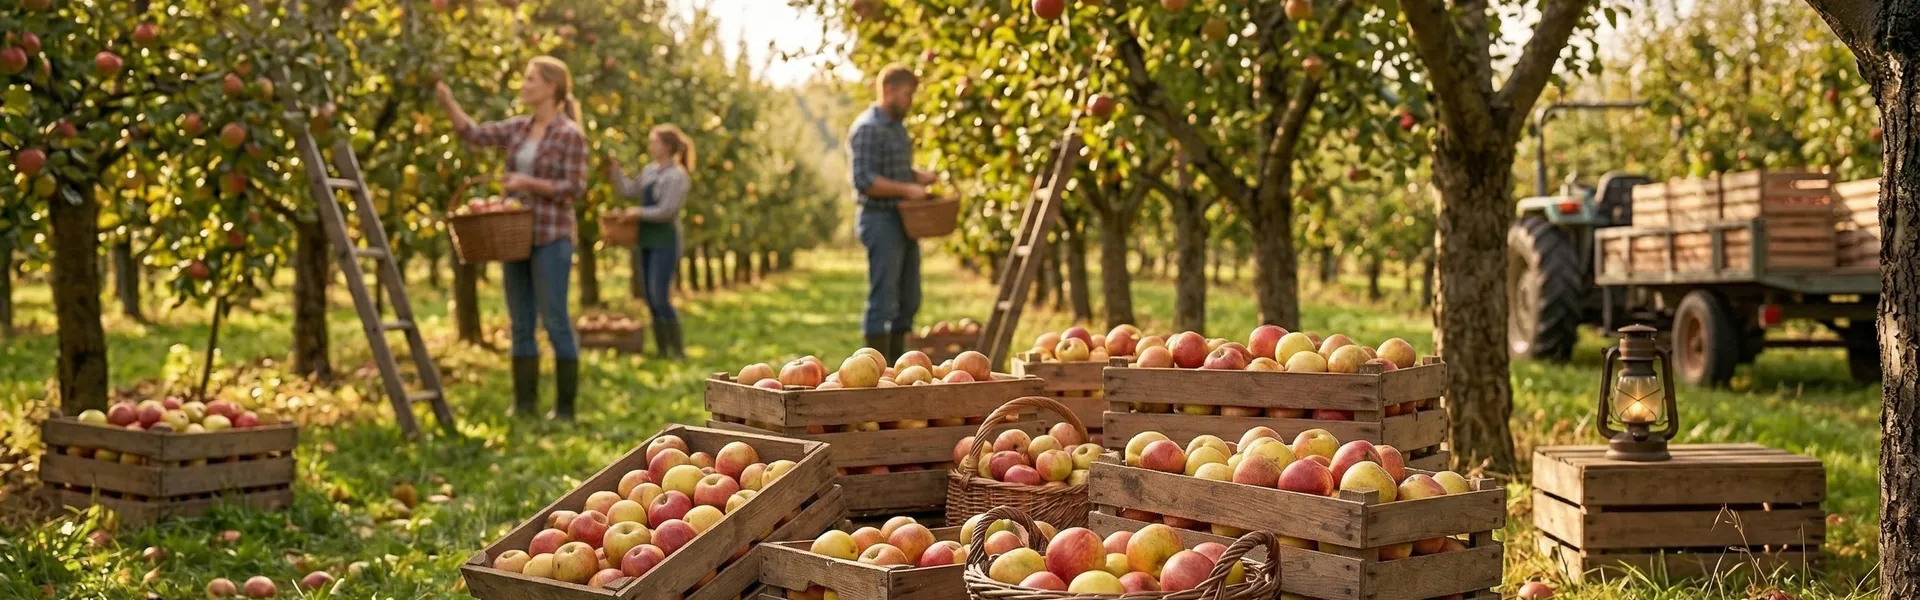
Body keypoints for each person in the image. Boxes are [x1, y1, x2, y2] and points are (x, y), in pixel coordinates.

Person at [435, 56, 589, 420]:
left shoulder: (570, 134)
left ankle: (564, 409)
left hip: (551, 236)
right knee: (520, 322)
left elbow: (575, 187)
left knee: (554, 320)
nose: (524, 84)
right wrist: (447, 101)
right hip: (515, 236)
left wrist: (528, 183)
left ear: (551, 86)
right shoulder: (519, 129)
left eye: (531, 79)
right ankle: (524, 405)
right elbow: (473, 135)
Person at [848, 65, 937, 360]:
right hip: (880, 220)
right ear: (888, 92)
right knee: (883, 300)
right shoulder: (867, 128)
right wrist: (906, 189)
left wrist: (916, 176)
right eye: (907, 95)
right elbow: (865, 179)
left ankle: (898, 367)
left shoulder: (896, 127)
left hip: (903, 220)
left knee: (909, 299)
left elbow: (892, 170)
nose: (910, 101)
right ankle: (874, 368)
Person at [606, 124, 695, 359]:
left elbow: (666, 211)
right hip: (646, 239)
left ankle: (677, 351)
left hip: (665, 239)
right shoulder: (649, 171)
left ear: (666, 146)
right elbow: (628, 191)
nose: (650, 145)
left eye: (654, 141)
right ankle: (662, 350)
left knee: (659, 295)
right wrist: (616, 172)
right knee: (649, 296)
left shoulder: (676, 175)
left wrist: (638, 213)